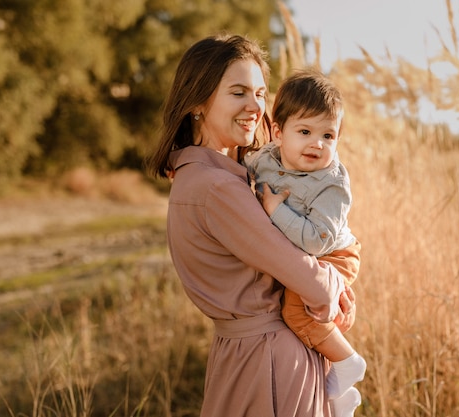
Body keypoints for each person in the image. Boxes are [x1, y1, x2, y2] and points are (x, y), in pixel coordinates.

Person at [147, 34, 358, 417]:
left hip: (249, 354)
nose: (255, 107)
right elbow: (315, 287)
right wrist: (337, 284)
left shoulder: (201, 176)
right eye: (239, 92)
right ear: (197, 100)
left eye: (260, 94)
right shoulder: (218, 188)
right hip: (268, 360)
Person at [246, 69, 366, 417]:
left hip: (335, 253)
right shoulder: (266, 158)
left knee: (299, 311)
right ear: (278, 133)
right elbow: (241, 172)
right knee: (302, 320)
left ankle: (347, 362)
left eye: (328, 135)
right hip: (313, 250)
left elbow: (315, 242)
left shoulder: (333, 185)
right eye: (305, 131)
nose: (317, 143)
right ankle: (336, 398)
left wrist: (276, 210)